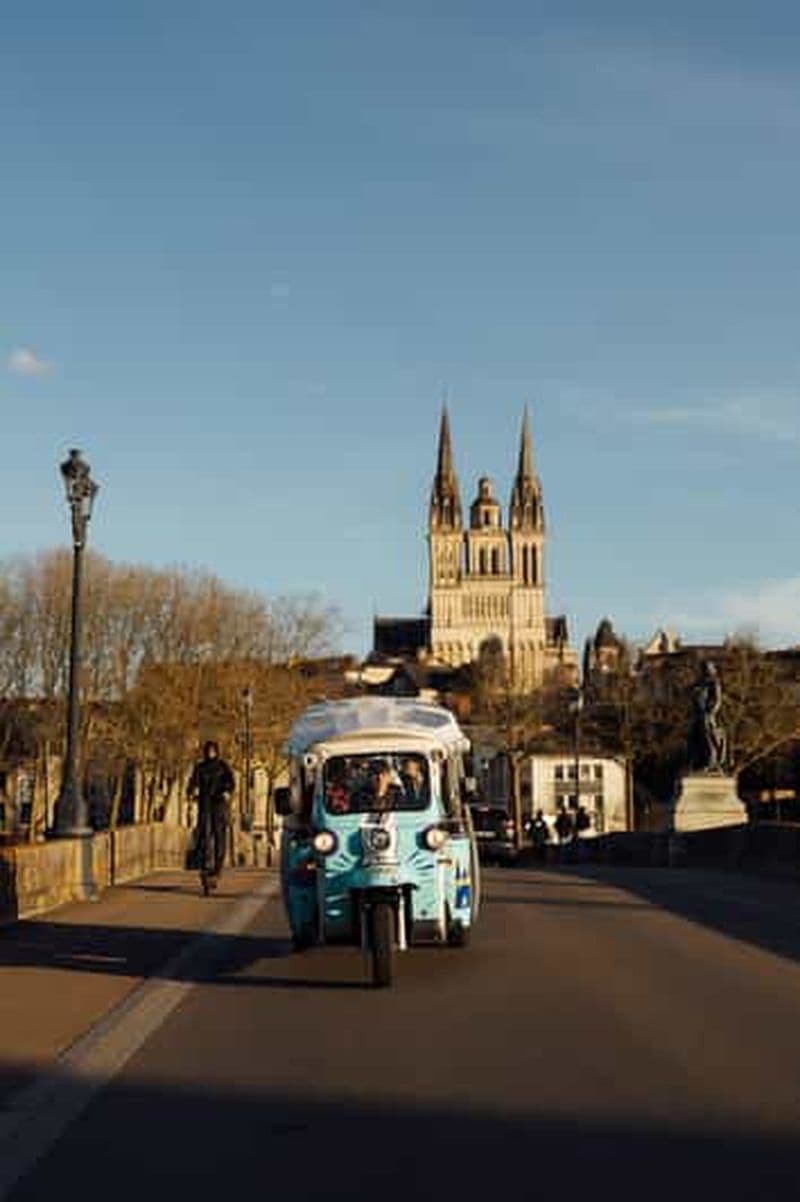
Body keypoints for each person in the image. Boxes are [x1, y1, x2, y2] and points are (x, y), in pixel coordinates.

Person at [187, 740, 235, 894]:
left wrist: (227, 791)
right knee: (204, 837)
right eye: (208, 751)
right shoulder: (200, 767)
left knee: (220, 838)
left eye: (213, 751)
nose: (210, 753)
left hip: (219, 805)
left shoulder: (223, 766)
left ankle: (217, 868)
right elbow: (193, 782)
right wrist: (192, 791)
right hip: (205, 805)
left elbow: (231, 782)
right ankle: (205, 869)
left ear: (217, 752)